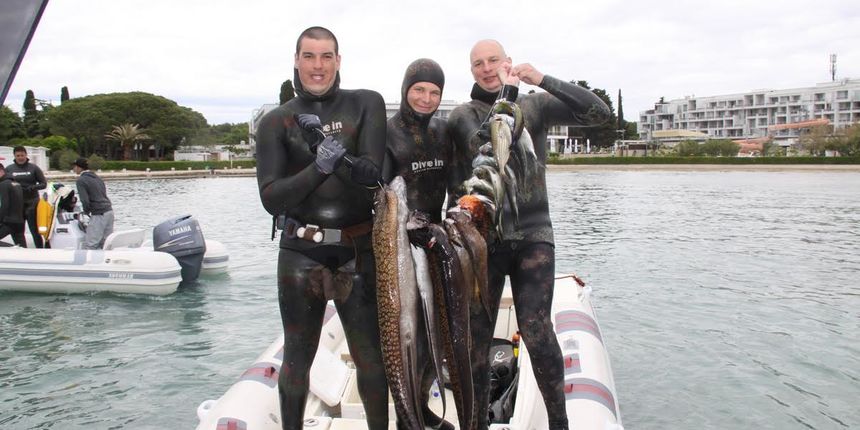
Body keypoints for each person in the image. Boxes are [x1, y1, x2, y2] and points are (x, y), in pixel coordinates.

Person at [447, 39, 610, 430]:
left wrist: (541, 78)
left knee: (536, 331)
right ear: (471, 71)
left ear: (507, 61)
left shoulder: (534, 105)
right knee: (478, 337)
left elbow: (599, 113)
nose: (486, 68)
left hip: (534, 233)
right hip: (483, 240)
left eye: (493, 61)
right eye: (477, 64)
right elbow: (479, 152)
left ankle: (559, 423)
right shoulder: (463, 115)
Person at [255, 26, 388, 430]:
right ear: (296, 60)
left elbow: (372, 176)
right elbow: (272, 198)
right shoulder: (275, 122)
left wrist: (337, 158)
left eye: (326, 56)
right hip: (300, 252)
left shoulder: (367, 104)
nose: (318, 65)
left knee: (372, 359)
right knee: (297, 358)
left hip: (358, 249)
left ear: (339, 60)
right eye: (309, 56)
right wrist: (320, 166)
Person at [383, 58, 456, 430]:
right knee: (403, 331)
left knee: (435, 334)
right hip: (399, 244)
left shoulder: (444, 133)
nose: (426, 98)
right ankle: (403, 414)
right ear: (405, 90)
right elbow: (377, 195)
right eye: (419, 90)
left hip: (435, 238)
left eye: (434, 92)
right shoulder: (385, 132)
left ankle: (423, 404)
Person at [5, 146, 46, 248]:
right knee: (18, 230)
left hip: (32, 203)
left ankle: (40, 250)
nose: (20, 157)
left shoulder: (34, 168)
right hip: (17, 205)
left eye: (22, 155)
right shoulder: (9, 169)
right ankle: (22, 250)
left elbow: (44, 184)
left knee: (34, 230)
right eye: (18, 155)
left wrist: (33, 187)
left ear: (26, 155)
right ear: (14, 156)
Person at [71, 158, 114, 249]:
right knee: (105, 243)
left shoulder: (81, 180)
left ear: (79, 168)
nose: (73, 169)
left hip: (99, 213)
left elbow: (85, 200)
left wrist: (86, 211)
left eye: (74, 167)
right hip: (109, 210)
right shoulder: (97, 177)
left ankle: (88, 262)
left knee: (91, 243)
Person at [0, 163, 27, 247]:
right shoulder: (16, 183)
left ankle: (12, 248)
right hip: (19, 221)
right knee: (23, 248)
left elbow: (4, 205)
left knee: (18, 247)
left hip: (8, 222)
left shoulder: (3, 184)